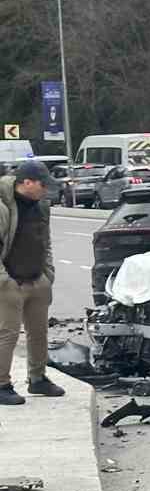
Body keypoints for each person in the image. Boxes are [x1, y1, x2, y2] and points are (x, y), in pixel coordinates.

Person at [0, 159, 65, 403]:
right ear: (26, 182)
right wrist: (5, 282)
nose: (45, 189)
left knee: (38, 332)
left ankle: (38, 379)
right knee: (7, 334)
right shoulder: (3, 205)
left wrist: (47, 274)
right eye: (42, 184)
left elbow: (45, 241)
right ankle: (2, 385)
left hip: (37, 279)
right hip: (9, 282)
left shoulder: (41, 206)